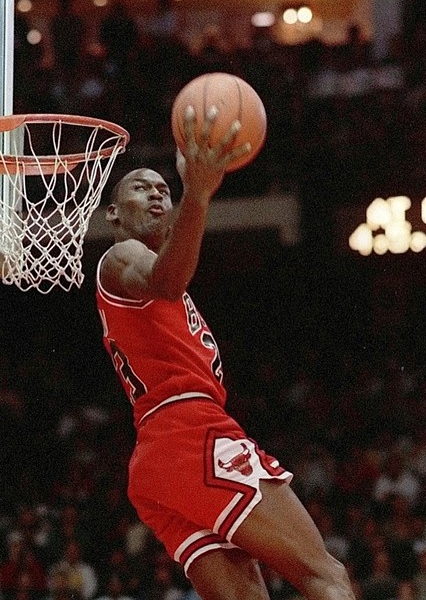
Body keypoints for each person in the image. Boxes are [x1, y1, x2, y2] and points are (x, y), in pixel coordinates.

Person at [95, 105, 355, 599]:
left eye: (163, 188)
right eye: (140, 187)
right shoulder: (122, 255)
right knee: (326, 575)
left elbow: (171, 277)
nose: (155, 192)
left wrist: (192, 196)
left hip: (157, 458)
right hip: (190, 434)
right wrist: (198, 191)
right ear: (113, 213)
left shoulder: (158, 276)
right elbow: (167, 281)